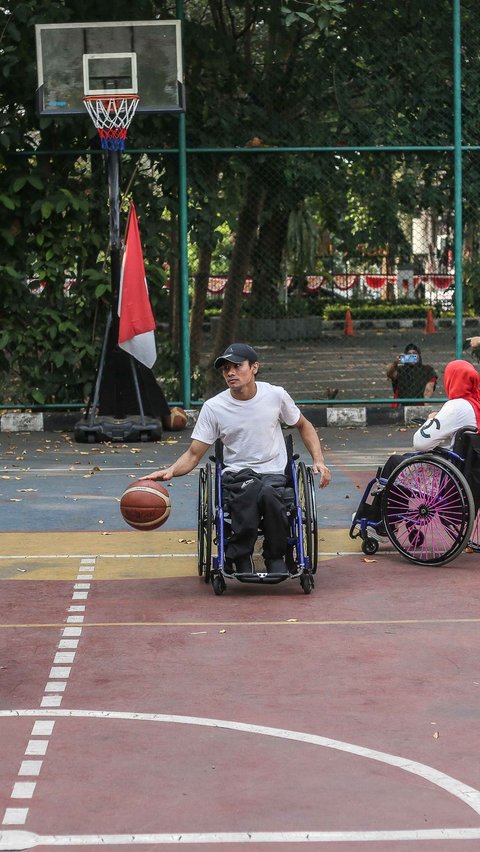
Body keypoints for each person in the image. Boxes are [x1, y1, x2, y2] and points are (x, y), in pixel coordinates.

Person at [145, 343, 331, 575]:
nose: (230, 373)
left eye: (237, 366)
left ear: (254, 367)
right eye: (225, 369)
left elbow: (304, 425)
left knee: (269, 494)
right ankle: (246, 555)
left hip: (273, 474)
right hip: (237, 476)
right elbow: (194, 454)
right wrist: (171, 470)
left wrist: (319, 460)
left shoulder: (275, 395)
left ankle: (266, 555)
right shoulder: (214, 407)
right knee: (254, 489)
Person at [362, 359, 480, 537]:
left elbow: (421, 442)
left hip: (443, 476)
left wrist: (432, 419)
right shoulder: (476, 405)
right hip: (466, 472)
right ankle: (388, 520)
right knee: (406, 459)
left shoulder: (456, 407)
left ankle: (381, 523)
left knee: (395, 463)